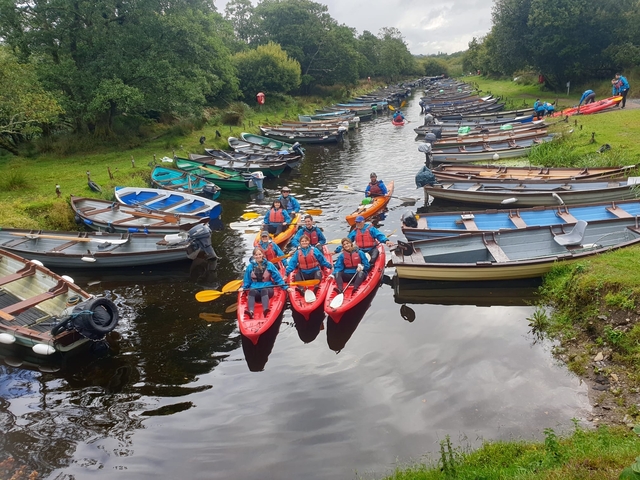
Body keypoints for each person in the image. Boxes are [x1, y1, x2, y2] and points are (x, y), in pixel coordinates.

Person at [239, 247, 286, 318]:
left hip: (268, 290)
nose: (258, 256)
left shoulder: (269, 265)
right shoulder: (250, 267)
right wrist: (243, 287)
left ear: (262, 255)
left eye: (259, 254)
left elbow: (278, 278)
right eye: (256, 255)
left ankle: (265, 310)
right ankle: (251, 312)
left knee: (264, 290)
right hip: (256, 293)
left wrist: (285, 287)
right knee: (251, 291)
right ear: (254, 256)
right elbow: (247, 280)